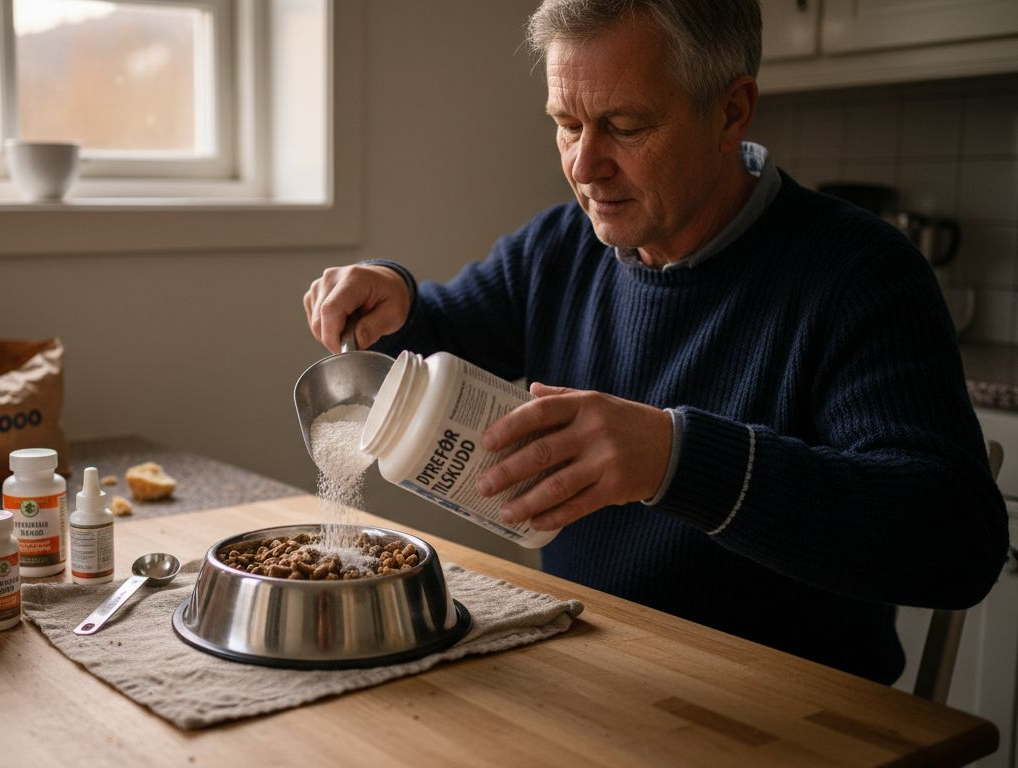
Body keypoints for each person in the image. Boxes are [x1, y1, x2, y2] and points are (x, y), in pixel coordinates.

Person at [302, 0, 1010, 685]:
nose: (584, 165)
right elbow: (428, 336)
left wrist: (677, 459)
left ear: (731, 112)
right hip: (590, 669)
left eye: (625, 126)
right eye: (566, 123)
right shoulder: (557, 250)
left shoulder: (859, 275)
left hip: (789, 715)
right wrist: (388, 292)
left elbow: (955, 544)